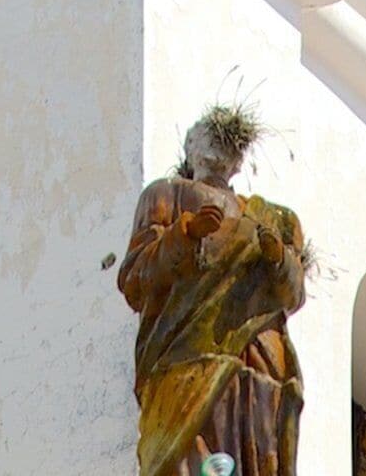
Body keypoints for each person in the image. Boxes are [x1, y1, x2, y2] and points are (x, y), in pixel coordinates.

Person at [117, 105, 308, 476]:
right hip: (186, 352)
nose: (218, 145)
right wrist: (185, 233)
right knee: (191, 456)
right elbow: (135, 280)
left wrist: (278, 257)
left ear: (239, 162)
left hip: (259, 365)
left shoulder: (274, 219)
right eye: (204, 135)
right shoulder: (166, 195)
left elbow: (294, 294)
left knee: (254, 457)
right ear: (189, 148)